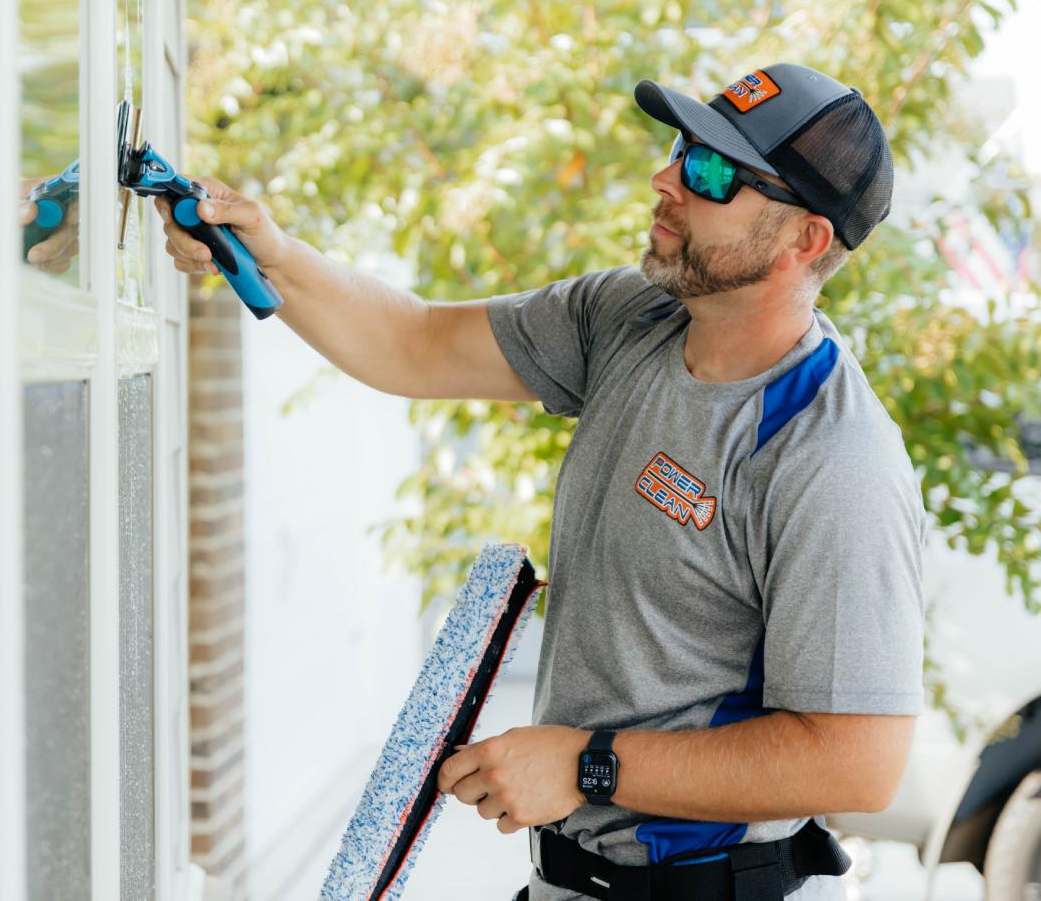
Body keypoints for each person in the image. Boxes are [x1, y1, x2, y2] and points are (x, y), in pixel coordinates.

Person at [157, 63, 927, 901]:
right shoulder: (629, 318)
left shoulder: (830, 454)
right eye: (682, 148)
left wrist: (588, 765)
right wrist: (271, 253)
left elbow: (857, 761)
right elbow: (414, 343)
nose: (666, 178)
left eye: (711, 174)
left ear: (805, 240)